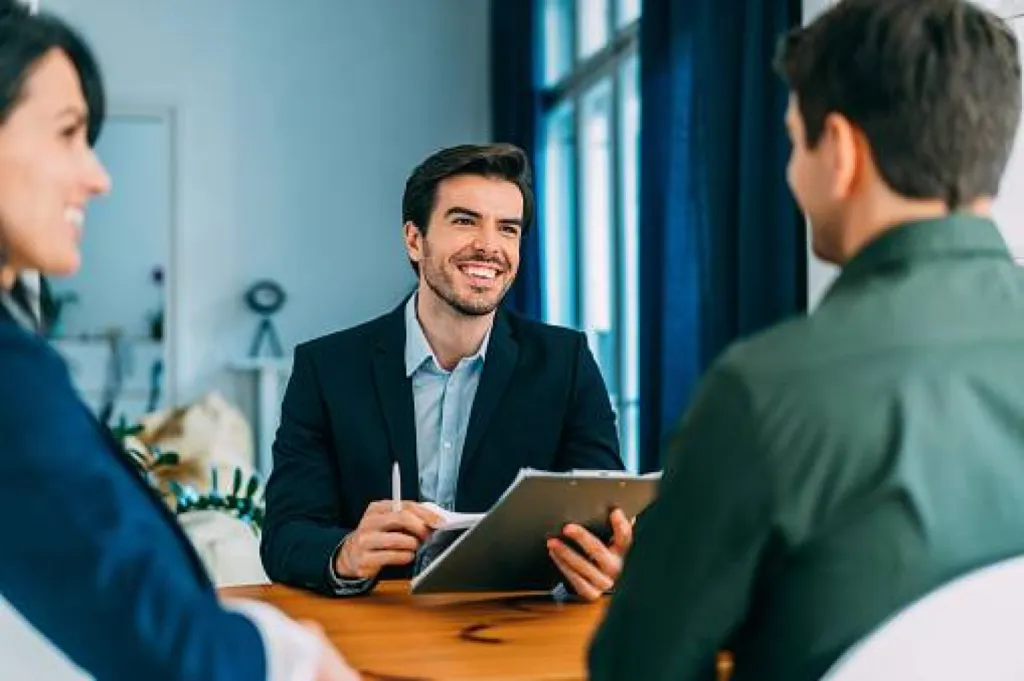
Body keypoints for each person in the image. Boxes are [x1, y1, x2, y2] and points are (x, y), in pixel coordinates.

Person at [589, 1, 1024, 680]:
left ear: (843, 153)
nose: (791, 171)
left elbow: (639, 668)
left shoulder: (765, 390)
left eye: (796, 141)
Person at [0, 3, 357, 679]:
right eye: (68, 133)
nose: (97, 176)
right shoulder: (11, 376)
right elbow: (159, 637)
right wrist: (288, 651)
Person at [261, 144, 631, 600]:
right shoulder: (326, 368)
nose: (489, 246)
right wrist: (346, 553)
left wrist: (608, 562)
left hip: (515, 628)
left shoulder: (567, 362)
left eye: (508, 229)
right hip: (377, 629)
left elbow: (603, 519)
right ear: (414, 240)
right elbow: (285, 535)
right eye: (464, 221)